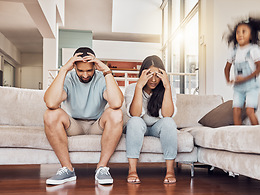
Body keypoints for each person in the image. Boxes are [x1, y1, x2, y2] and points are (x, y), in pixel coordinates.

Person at [44, 47, 124, 185]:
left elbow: (116, 103)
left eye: (89, 70)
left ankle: (102, 168)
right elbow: (51, 103)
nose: (85, 75)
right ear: (74, 66)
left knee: (116, 113)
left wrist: (106, 71)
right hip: (73, 125)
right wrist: (63, 70)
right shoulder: (68, 78)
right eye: (81, 70)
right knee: (50, 114)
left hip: (96, 126)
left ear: (95, 66)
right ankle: (67, 169)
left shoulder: (102, 78)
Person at [124, 55, 177, 184]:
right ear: (142, 74)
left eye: (157, 75)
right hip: (138, 126)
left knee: (169, 122)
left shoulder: (168, 89)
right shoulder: (132, 88)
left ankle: (170, 171)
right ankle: (132, 170)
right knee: (135, 121)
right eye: (149, 75)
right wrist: (139, 86)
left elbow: (167, 114)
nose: (153, 79)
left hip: (155, 128)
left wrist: (167, 87)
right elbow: (134, 114)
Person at [224, 16, 260, 125]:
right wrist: (228, 80)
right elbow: (226, 68)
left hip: (252, 86)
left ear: (251, 35)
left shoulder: (254, 49)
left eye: (244, 32)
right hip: (238, 87)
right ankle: (238, 134)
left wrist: (244, 78)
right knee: (236, 110)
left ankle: (259, 133)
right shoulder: (234, 51)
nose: (240, 34)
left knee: (250, 111)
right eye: (238, 32)